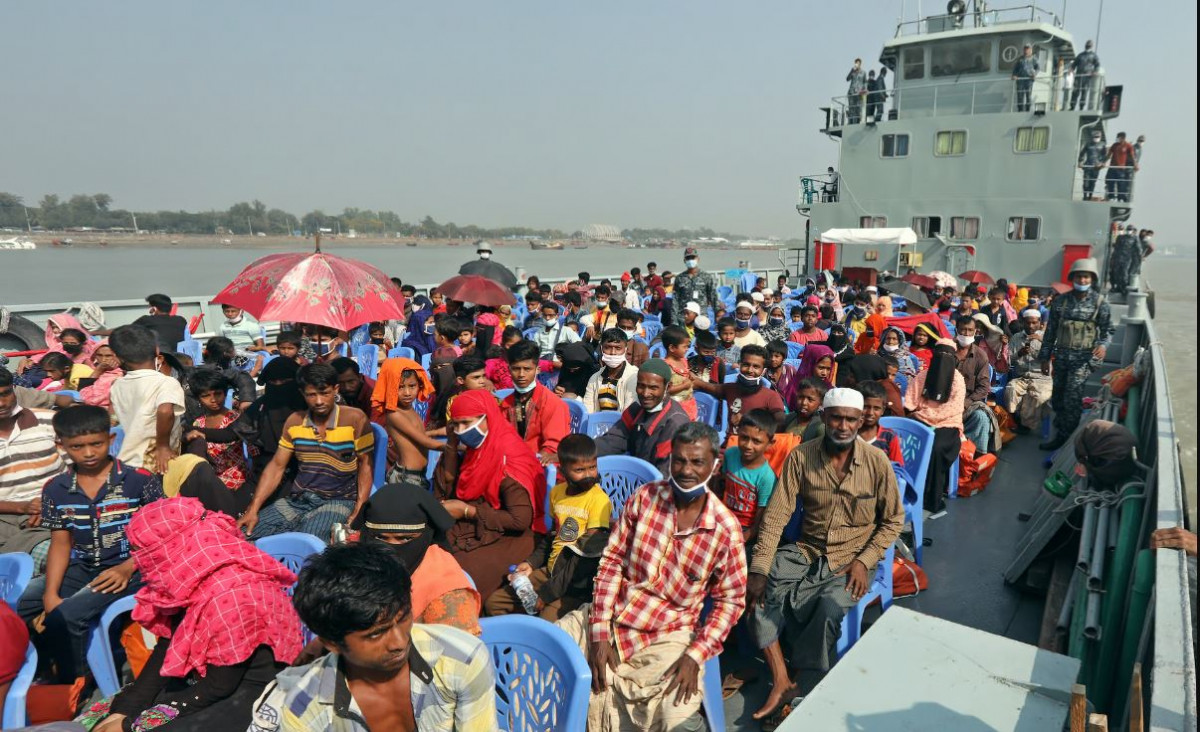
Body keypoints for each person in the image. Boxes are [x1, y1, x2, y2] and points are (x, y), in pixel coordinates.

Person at [556, 423, 747, 730]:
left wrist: (695, 655)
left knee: (678, 718)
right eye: (679, 460)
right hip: (614, 615)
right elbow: (611, 562)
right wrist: (600, 633)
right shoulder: (645, 498)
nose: (686, 470)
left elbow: (731, 602)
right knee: (548, 659)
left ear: (715, 464)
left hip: (668, 634)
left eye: (697, 462)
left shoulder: (725, 529)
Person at [78, 496, 301, 732]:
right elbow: (168, 648)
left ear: (171, 547)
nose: (137, 559)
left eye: (142, 550)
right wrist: (125, 709)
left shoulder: (235, 597)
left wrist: (129, 723)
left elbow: (219, 686)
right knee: (98, 717)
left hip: (253, 693)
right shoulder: (191, 578)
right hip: (208, 681)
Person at [746, 388, 903, 721]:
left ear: (860, 421)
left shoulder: (877, 463)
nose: (842, 426)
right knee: (759, 588)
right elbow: (776, 515)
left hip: (853, 557)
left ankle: (800, 676)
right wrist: (759, 568)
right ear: (824, 418)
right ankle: (781, 679)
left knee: (829, 607)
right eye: (836, 417)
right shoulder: (802, 457)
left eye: (850, 419)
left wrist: (864, 560)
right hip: (807, 549)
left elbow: (893, 522)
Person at [248, 541, 498, 732]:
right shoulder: (304, 707)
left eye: (403, 619)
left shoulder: (462, 657)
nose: (399, 642)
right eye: (376, 634)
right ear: (332, 643)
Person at [18, 405, 163, 683]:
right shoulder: (55, 488)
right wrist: (50, 593)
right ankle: (38, 666)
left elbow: (166, 533)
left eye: (96, 443)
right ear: (61, 446)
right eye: (77, 446)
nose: (88, 453)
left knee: (67, 615)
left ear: (110, 439)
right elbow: (61, 543)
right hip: (84, 565)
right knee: (20, 603)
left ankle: (77, 682)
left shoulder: (138, 480)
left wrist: (128, 566)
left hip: (136, 568)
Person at [239, 363, 375, 541]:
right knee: (242, 535)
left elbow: (366, 463)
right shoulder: (295, 421)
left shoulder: (354, 418)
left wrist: (360, 507)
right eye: (312, 395)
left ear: (335, 389)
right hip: (297, 500)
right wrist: (253, 509)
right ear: (303, 394)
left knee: (307, 540)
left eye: (325, 393)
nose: (319, 401)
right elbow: (277, 466)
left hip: (338, 500)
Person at [485, 434, 612, 621]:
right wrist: (531, 563)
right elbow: (552, 536)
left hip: (575, 585)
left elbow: (584, 560)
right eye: (579, 470)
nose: (588, 475)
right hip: (551, 572)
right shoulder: (557, 493)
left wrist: (545, 595)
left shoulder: (598, 500)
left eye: (592, 468)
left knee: (545, 622)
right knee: (495, 604)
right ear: (563, 469)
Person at [433, 389, 542, 598]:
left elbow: (520, 519)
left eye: (466, 423)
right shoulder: (477, 449)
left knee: (460, 574)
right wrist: (451, 444)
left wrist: (468, 511)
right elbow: (449, 486)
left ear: (487, 417)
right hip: (482, 524)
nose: (461, 430)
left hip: (515, 536)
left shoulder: (507, 457)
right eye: (456, 425)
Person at [351, 483, 481, 633]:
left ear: (427, 536)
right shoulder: (356, 562)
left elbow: (458, 652)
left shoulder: (448, 593)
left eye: (405, 539)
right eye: (380, 537)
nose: (392, 548)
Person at [1038, 258, 1113, 450]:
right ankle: (1062, 422)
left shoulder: (1099, 303)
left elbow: (1108, 330)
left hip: (1083, 361)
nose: (1083, 280)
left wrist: (1103, 345)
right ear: (1073, 278)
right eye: (1079, 276)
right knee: (1057, 396)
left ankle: (1064, 438)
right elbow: (1050, 332)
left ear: (1092, 279)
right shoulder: (1061, 302)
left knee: (1072, 399)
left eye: (1086, 277)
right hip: (1061, 358)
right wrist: (1045, 358)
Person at [0, 368, 63, 562]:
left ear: (14, 390)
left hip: (56, 510)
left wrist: (53, 503)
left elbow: (83, 472)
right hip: (5, 517)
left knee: (46, 554)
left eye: (5, 394)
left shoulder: (48, 422)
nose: (2, 403)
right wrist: (22, 507)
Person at [109, 324, 186, 474]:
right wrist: (162, 446)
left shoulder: (117, 385)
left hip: (129, 458)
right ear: (157, 351)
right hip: (155, 460)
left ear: (117, 357)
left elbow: (115, 416)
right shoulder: (166, 382)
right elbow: (165, 411)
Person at [595, 359, 690, 475]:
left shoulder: (675, 424)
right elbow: (612, 441)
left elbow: (666, 474)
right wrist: (581, 453)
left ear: (668, 387)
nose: (645, 394)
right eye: (641, 386)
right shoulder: (636, 410)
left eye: (653, 388)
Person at [905, 340, 967, 512]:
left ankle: (932, 497)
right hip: (922, 418)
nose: (943, 359)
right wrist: (920, 414)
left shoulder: (957, 380)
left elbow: (954, 407)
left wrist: (932, 417)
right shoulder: (923, 376)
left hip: (948, 422)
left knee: (938, 448)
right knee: (907, 443)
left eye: (947, 355)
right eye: (940, 355)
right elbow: (911, 400)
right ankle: (908, 489)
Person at [183, 369, 254, 496]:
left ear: (225, 393)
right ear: (198, 398)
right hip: (211, 481)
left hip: (238, 482)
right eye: (205, 396)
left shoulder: (236, 419)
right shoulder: (198, 424)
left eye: (218, 394)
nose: (213, 400)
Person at [499, 340, 570, 465]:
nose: (521, 374)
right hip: (508, 460)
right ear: (509, 369)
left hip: (537, 466)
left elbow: (553, 446)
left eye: (527, 369)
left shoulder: (552, 403)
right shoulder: (506, 402)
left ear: (537, 369)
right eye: (516, 369)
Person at [693, 344, 786, 432]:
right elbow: (708, 387)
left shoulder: (771, 396)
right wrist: (693, 380)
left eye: (756, 367)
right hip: (729, 445)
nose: (750, 370)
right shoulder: (730, 389)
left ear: (763, 371)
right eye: (746, 365)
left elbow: (781, 422)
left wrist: (748, 421)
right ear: (740, 365)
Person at [721, 408, 778, 545]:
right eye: (744, 438)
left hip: (745, 529)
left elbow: (760, 521)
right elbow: (721, 485)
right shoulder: (730, 454)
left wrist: (742, 538)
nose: (748, 445)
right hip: (724, 518)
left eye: (756, 441)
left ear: (770, 444)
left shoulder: (767, 477)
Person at [1005, 308, 1053, 432]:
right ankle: (1016, 419)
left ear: (1040, 323)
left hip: (1042, 379)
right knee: (1011, 389)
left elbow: (1058, 353)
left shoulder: (1048, 337)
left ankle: (1026, 425)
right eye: (1028, 323)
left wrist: (1042, 341)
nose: (1031, 326)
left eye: (1034, 323)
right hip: (1022, 377)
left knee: (1040, 397)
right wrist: (1019, 353)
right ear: (1022, 322)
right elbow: (1008, 360)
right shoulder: (1016, 337)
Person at [952, 316, 994, 455]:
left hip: (967, 403)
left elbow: (983, 387)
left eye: (970, 330)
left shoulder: (980, 356)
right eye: (963, 330)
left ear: (975, 332)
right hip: (945, 401)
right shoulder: (947, 350)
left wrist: (966, 403)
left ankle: (975, 458)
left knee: (982, 418)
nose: (966, 333)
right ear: (956, 330)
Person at [584, 328, 639, 413]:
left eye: (618, 348)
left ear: (625, 349)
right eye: (608, 347)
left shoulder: (633, 376)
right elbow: (588, 408)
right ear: (601, 349)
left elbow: (628, 412)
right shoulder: (595, 378)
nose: (613, 352)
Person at [198, 337, 258, 410]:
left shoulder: (198, 370)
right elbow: (244, 378)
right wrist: (257, 368)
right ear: (226, 354)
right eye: (233, 350)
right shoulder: (223, 372)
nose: (235, 353)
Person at [854, 380, 904, 464]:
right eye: (865, 407)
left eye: (876, 408)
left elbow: (897, 469)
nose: (870, 413)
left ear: (883, 410)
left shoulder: (889, 437)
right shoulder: (849, 433)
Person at [670, 247, 719, 326]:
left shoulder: (706, 277)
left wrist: (718, 317)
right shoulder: (680, 278)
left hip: (701, 317)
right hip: (683, 318)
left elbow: (714, 298)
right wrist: (674, 321)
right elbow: (675, 301)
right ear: (684, 260)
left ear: (698, 259)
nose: (690, 260)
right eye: (688, 258)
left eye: (693, 257)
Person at [79, 343, 124, 409]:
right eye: (99, 355)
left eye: (108, 356)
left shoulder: (122, 373)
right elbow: (81, 393)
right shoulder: (89, 368)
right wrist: (98, 371)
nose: (103, 359)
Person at [1105, 132, 1138, 202]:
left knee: (1121, 184)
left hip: (1121, 168)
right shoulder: (1114, 145)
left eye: (1118, 137)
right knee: (1109, 181)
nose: (1117, 139)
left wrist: (1135, 164)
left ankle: (1121, 198)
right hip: (1112, 167)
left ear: (1123, 138)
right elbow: (1108, 155)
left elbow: (1132, 156)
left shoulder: (1128, 146)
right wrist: (1103, 163)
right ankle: (1111, 196)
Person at [1109, 224, 1141, 295]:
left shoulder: (1135, 238)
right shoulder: (1120, 237)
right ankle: (1117, 287)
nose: (1129, 231)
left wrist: (1139, 257)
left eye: (1130, 229)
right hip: (1118, 257)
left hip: (1127, 258)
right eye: (1128, 229)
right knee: (1116, 273)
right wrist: (1113, 258)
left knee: (1124, 274)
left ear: (1133, 231)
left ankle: (1124, 288)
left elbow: (1138, 249)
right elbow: (1116, 248)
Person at [1078, 128, 1107, 201]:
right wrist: (1080, 162)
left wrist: (1101, 163)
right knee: (1086, 182)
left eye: (1097, 137)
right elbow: (1082, 154)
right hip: (1087, 165)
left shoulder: (1103, 145)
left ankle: (1090, 196)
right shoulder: (1088, 144)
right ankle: (1085, 196)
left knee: (1092, 182)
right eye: (1095, 137)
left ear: (1100, 137)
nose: (1096, 138)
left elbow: (1104, 156)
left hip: (1096, 167)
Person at [1071, 39, 1100, 110]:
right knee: (1075, 92)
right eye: (1087, 44)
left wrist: (1095, 71)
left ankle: (1081, 107)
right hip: (1078, 76)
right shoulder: (1080, 55)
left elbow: (1097, 65)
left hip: (1087, 77)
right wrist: (1071, 70)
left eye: (1089, 45)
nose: (1088, 46)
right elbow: (1074, 64)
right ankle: (1072, 106)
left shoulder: (1094, 56)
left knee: (1084, 92)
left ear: (1091, 46)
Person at [1011, 44, 1039, 113]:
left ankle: (1027, 110)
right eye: (1025, 49)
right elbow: (1015, 69)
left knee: (1028, 96)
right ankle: (1020, 110)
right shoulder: (1020, 59)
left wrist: (1034, 74)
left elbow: (1038, 68)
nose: (1026, 50)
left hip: (1029, 80)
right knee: (1020, 96)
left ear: (1030, 50)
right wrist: (1014, 75)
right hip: (1020, 80)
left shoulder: (1033, 59)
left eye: (1028, 49)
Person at [845, 58, 867, 124]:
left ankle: (857, 122)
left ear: (860, 64)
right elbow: (847, 79)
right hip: (851, 93)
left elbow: (865, 82)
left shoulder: (863, 72)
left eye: (858, 63)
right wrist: (852, 70)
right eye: (856, 63)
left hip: (859, 93)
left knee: (858, 108)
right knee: (851, 108)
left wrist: (864, 90)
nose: (857, 64)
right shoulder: (853, 72)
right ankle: (851, 122)